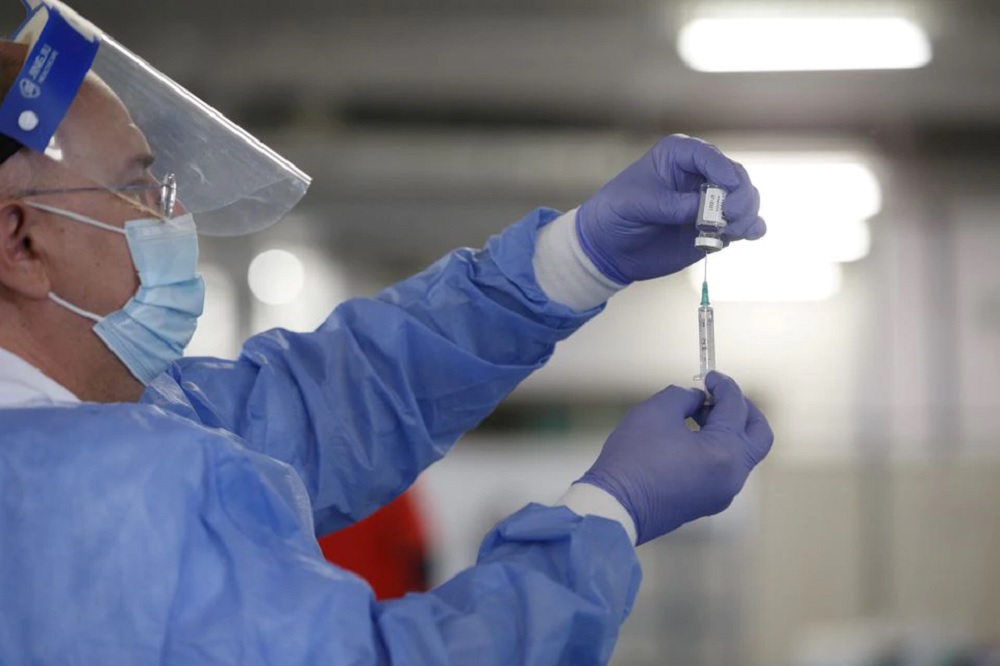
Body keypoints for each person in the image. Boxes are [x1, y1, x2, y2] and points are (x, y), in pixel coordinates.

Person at [0, 3, 772, 664]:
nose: (172, 219)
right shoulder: (94, 499)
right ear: (21, 241)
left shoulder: (104, 429)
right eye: (137, 189)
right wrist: (610, 512)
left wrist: (574, 260)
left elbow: (330, 405)